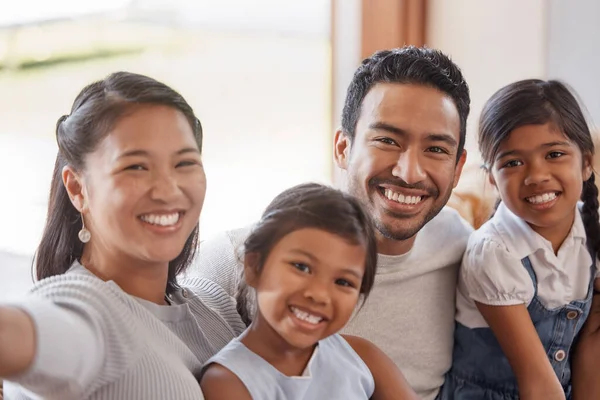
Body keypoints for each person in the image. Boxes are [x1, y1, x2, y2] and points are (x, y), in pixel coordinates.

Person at [193, 46, 473, 399]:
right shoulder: (231, 260)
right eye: (387, 140)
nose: (409, 172)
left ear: (459, 167)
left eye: (435, 149)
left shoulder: (468, 249)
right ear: (343, 147)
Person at [0, 71, 245, 399]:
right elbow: (26, 334)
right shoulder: (84, 313)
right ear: (77, 188)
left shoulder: (216, 308)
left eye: (185, 163)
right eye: (136, 167)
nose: (168, 190)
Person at [440, 79, 600, 399]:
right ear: (492, 179)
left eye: (554, 154)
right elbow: (537, 381)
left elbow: (593, 344)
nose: (536, 176)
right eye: (512, 163)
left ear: (585, 163)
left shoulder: (592, 231)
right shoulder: (494, 252)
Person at [199, 183, 418, 399]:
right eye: (302, 267)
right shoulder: (228, 381)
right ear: (254, 267)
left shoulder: (363, 357)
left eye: (343, 282)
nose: (319, 294)